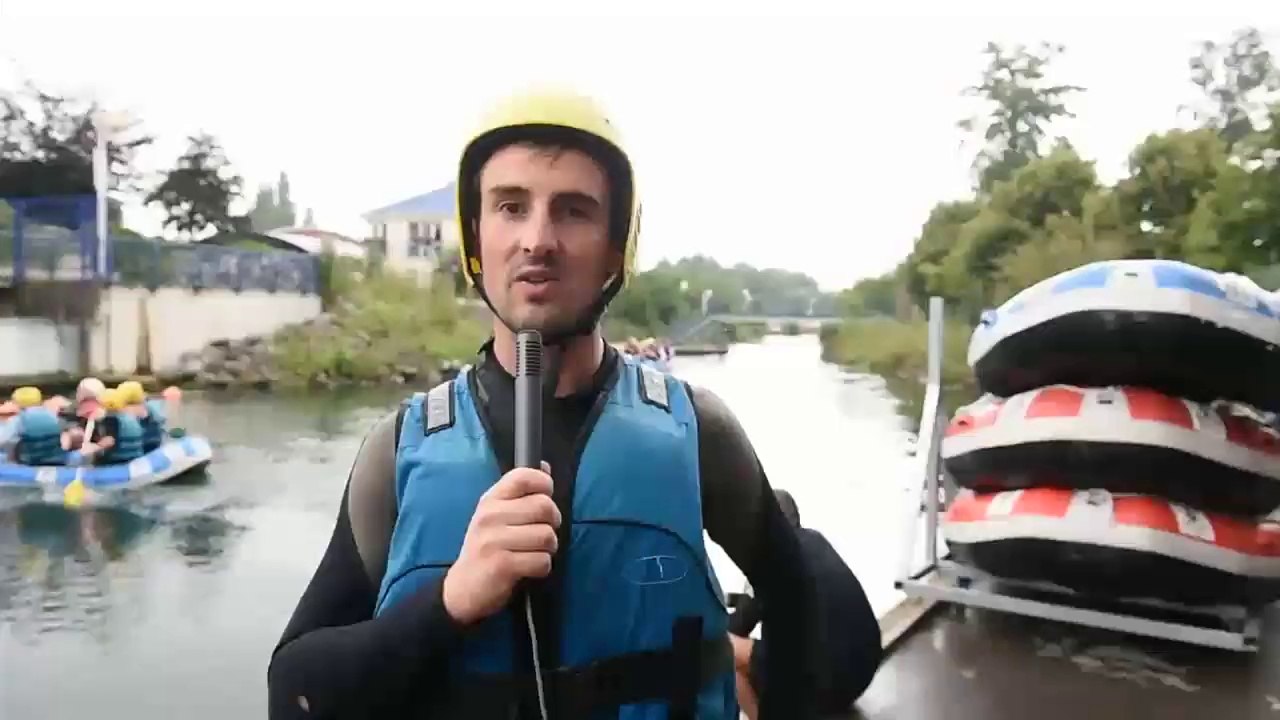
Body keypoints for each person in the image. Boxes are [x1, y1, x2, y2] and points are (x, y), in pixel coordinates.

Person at [268, 89, 818, 720]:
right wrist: (449, 600)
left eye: (574, 211)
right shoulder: (397, 451)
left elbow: (801, 610)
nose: (538, 240)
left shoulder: (699, 431)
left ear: (618, 248)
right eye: (510, 206)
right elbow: (293, 694)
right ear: (476, 236)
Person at [728, 490, 882, 719]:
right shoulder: (816, 541)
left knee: (720, 647)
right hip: (863, 673)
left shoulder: (766, 557)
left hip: (824, 687)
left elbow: (738, 626)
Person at [85, 389, 144, 465]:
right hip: (135, 460)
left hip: (117, 462)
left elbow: (109, 441)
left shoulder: (110, 419)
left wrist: (93, 447)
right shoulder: (132, 418)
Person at [11, 387, 66, 466]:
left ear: (19, 403)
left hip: (29, 461)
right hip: (57, 459)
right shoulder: (52, 415)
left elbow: (4, 439)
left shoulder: (19, 419)